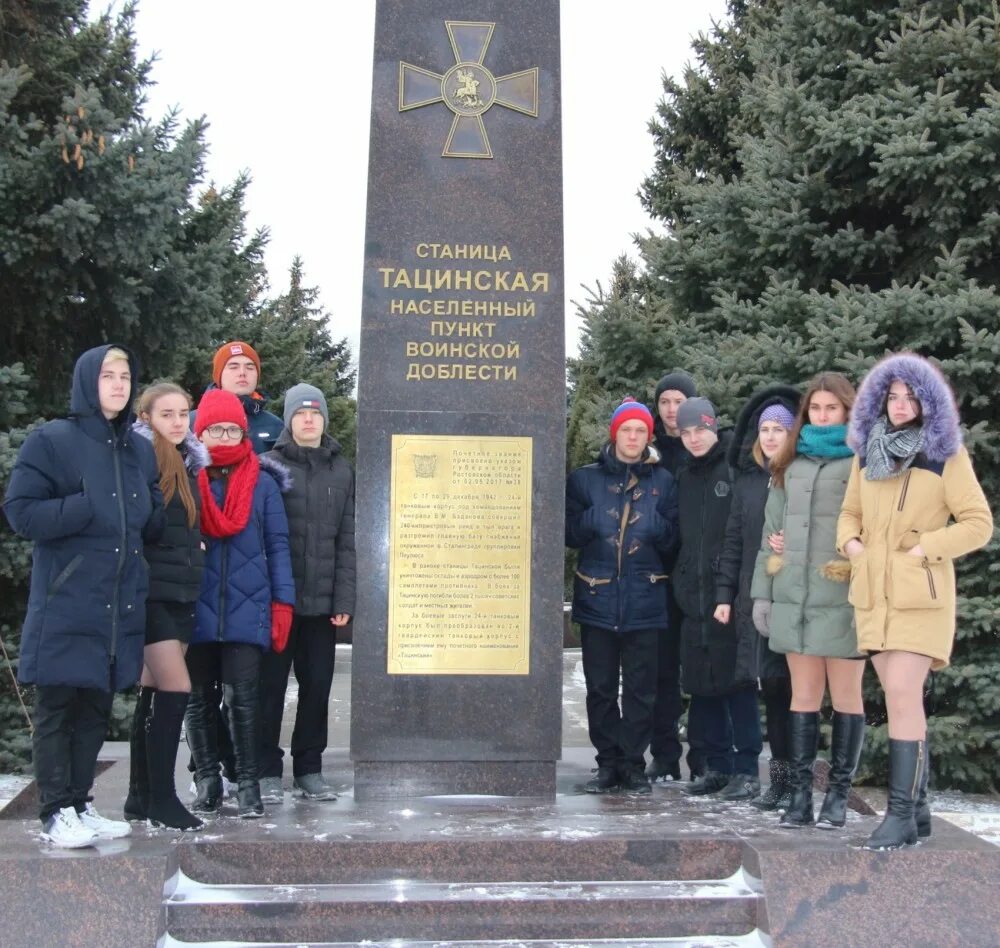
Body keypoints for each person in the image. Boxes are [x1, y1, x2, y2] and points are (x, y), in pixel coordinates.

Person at [3, 345, 163, 848]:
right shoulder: (52, 441)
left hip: (118, 602)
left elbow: (149, 512)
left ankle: (79, 801)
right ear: (86, 381)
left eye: (125, 376)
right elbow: (21, 512)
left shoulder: (137, 448)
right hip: (66, 596)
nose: (118, 384)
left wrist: (151, 517)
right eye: (108, 376)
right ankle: (54, 812)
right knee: (59, 704)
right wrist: (81, 508)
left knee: (95, 703)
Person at [838, 353, 992, 850]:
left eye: (910, 396)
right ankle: (919, 810)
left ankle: (901, 814)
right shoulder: (867, 454)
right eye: (893, 395)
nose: (901, 404)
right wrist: (853, 548)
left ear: (927, 402)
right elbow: (848, 515)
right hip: (874, 597)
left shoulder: (944, 454)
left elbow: (978, 523)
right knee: (899, 700)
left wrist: (927, 548)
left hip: (919, 598)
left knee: (903, 695)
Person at [750, 373, 862, 830]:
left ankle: (837, 794)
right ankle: (800, 796)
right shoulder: (788, 468)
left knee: (848, 698)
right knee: (803, 699)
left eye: (830, 408)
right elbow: (767, 537)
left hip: (842, 598)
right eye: (815, 409)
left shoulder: (861, 465)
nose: (822, 415)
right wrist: (763, 592)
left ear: (847, 411)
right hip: (795, 599)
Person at [185, 389, 295, 818]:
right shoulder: (186, 477)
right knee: (198, 700)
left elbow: (278, 546)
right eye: (216, 428)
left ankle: (248, 783)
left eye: (232, 428)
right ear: (201, 432)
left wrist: (283, 603)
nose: (224, 435)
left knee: (244, 700)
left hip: (248, 609)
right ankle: (207, 779)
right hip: (196, 606)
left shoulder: (264, 483)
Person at [566, 397, 678, 794]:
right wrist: (589, 520)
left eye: (641, 431)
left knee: (640, 690)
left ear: (649, 437)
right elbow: (566, 534)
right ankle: (607, 763)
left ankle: (632, 763)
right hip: (597, 599)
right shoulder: (584, 479)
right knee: (599, 688)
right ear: (615, 434)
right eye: (626, 430)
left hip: (645, 601)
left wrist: (659, 528)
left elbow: (676, 542)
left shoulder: (664, 481)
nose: (633, 437)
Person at [258, 384, 356, 804]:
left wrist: (343, 601)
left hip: (320, 607)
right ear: (289, 420)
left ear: (324, 420)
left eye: (315, 413)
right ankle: (264, 769)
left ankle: (309, 768)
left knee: (317, 688)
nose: (309, 419)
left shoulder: (342, 471)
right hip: (277, 604)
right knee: (269, 689)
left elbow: (346, 541)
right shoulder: (267, 466)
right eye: (300, 413)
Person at [124, 382, 207, 831]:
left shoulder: (187, 462)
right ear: (147, 418)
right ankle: (162, 798)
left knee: (154, 689)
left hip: (177, 591)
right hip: (154, 592)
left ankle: (140, 798)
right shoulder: (148, 459)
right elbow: (145, 526)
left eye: (183, 414)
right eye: (167, 414)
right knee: (176, 687)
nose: (178, 422)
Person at [713, 386, 799, 810]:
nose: (769, 437)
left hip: (793, 599)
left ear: (791, 435)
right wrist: (725, 594)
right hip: (754, 600)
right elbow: (732, 542)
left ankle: (794, 780)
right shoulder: (746, 480)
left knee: (791, 692)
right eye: (764, 429)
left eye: (778, 430)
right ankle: (779, 783)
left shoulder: (799, 476)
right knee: (771, 690)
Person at [671, 398, 761, 799]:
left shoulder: (735, 466)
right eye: (686, 432)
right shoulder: (684, 476)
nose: (693, 439)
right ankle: (717, 766)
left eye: (699, 430)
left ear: (713, 427)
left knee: (737, 683)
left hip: (731, 596)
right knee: (703, 685)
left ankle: (747, 768)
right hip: (695, 600)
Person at [646, 370, 702, 783]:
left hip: (696, 573)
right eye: (664, 402)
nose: (670, 410)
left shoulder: (700, 447)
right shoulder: (647, 449)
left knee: (699, 669)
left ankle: (702, 755)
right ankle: (664, 754)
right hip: (656, 576)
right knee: (661, 671)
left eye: (678, 401)